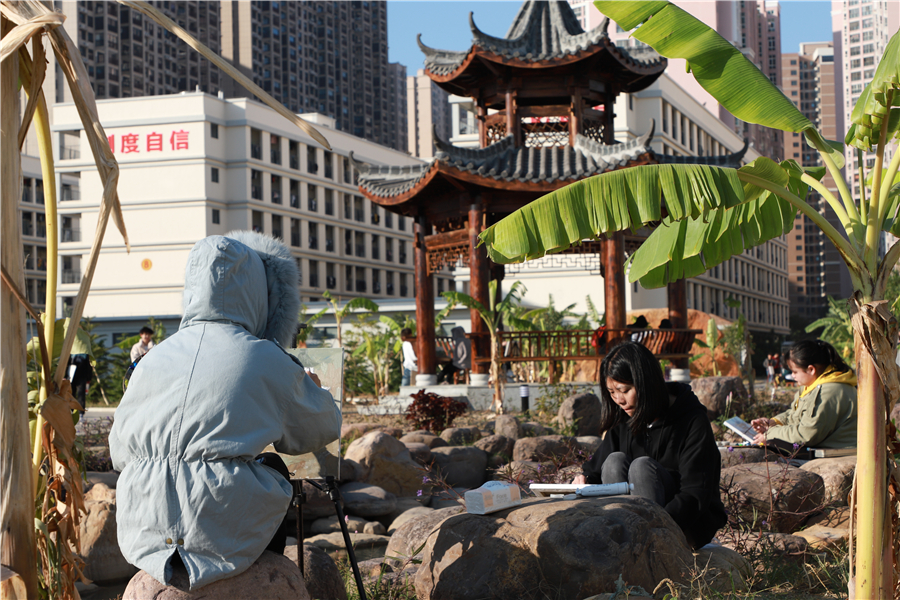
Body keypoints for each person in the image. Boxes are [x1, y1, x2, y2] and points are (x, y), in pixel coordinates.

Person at [110, 231, 341, 590]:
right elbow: (321, 428)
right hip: (221, 532)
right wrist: (316, 389)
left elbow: (118, 451)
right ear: (258, 292)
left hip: (143, 528)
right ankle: (260, 579)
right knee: (274, 465)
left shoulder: (152, 359)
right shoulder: (262, 356)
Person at [572, 341, 726, 549]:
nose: (619, 400)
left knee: (641, 467)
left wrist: (657, 528)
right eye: (612, 392)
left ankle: (648, 547)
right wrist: (583, 479)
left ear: (646, 382)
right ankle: (623, 545)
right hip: (635, 525)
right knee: (614, 461)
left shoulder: (692, 420)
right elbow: (595, 470)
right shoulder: (624, 419)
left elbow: (695, 493)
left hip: (683, 522)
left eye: (624, 390)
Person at [750, 340, 857, 451]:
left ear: (811, 369)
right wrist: (773, 423)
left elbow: (806, 434)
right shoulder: (812, 386)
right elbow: (795, 414)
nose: (792, 376)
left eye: (795, 372)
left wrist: (770, 434)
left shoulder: (828, 391)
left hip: (838, 453)